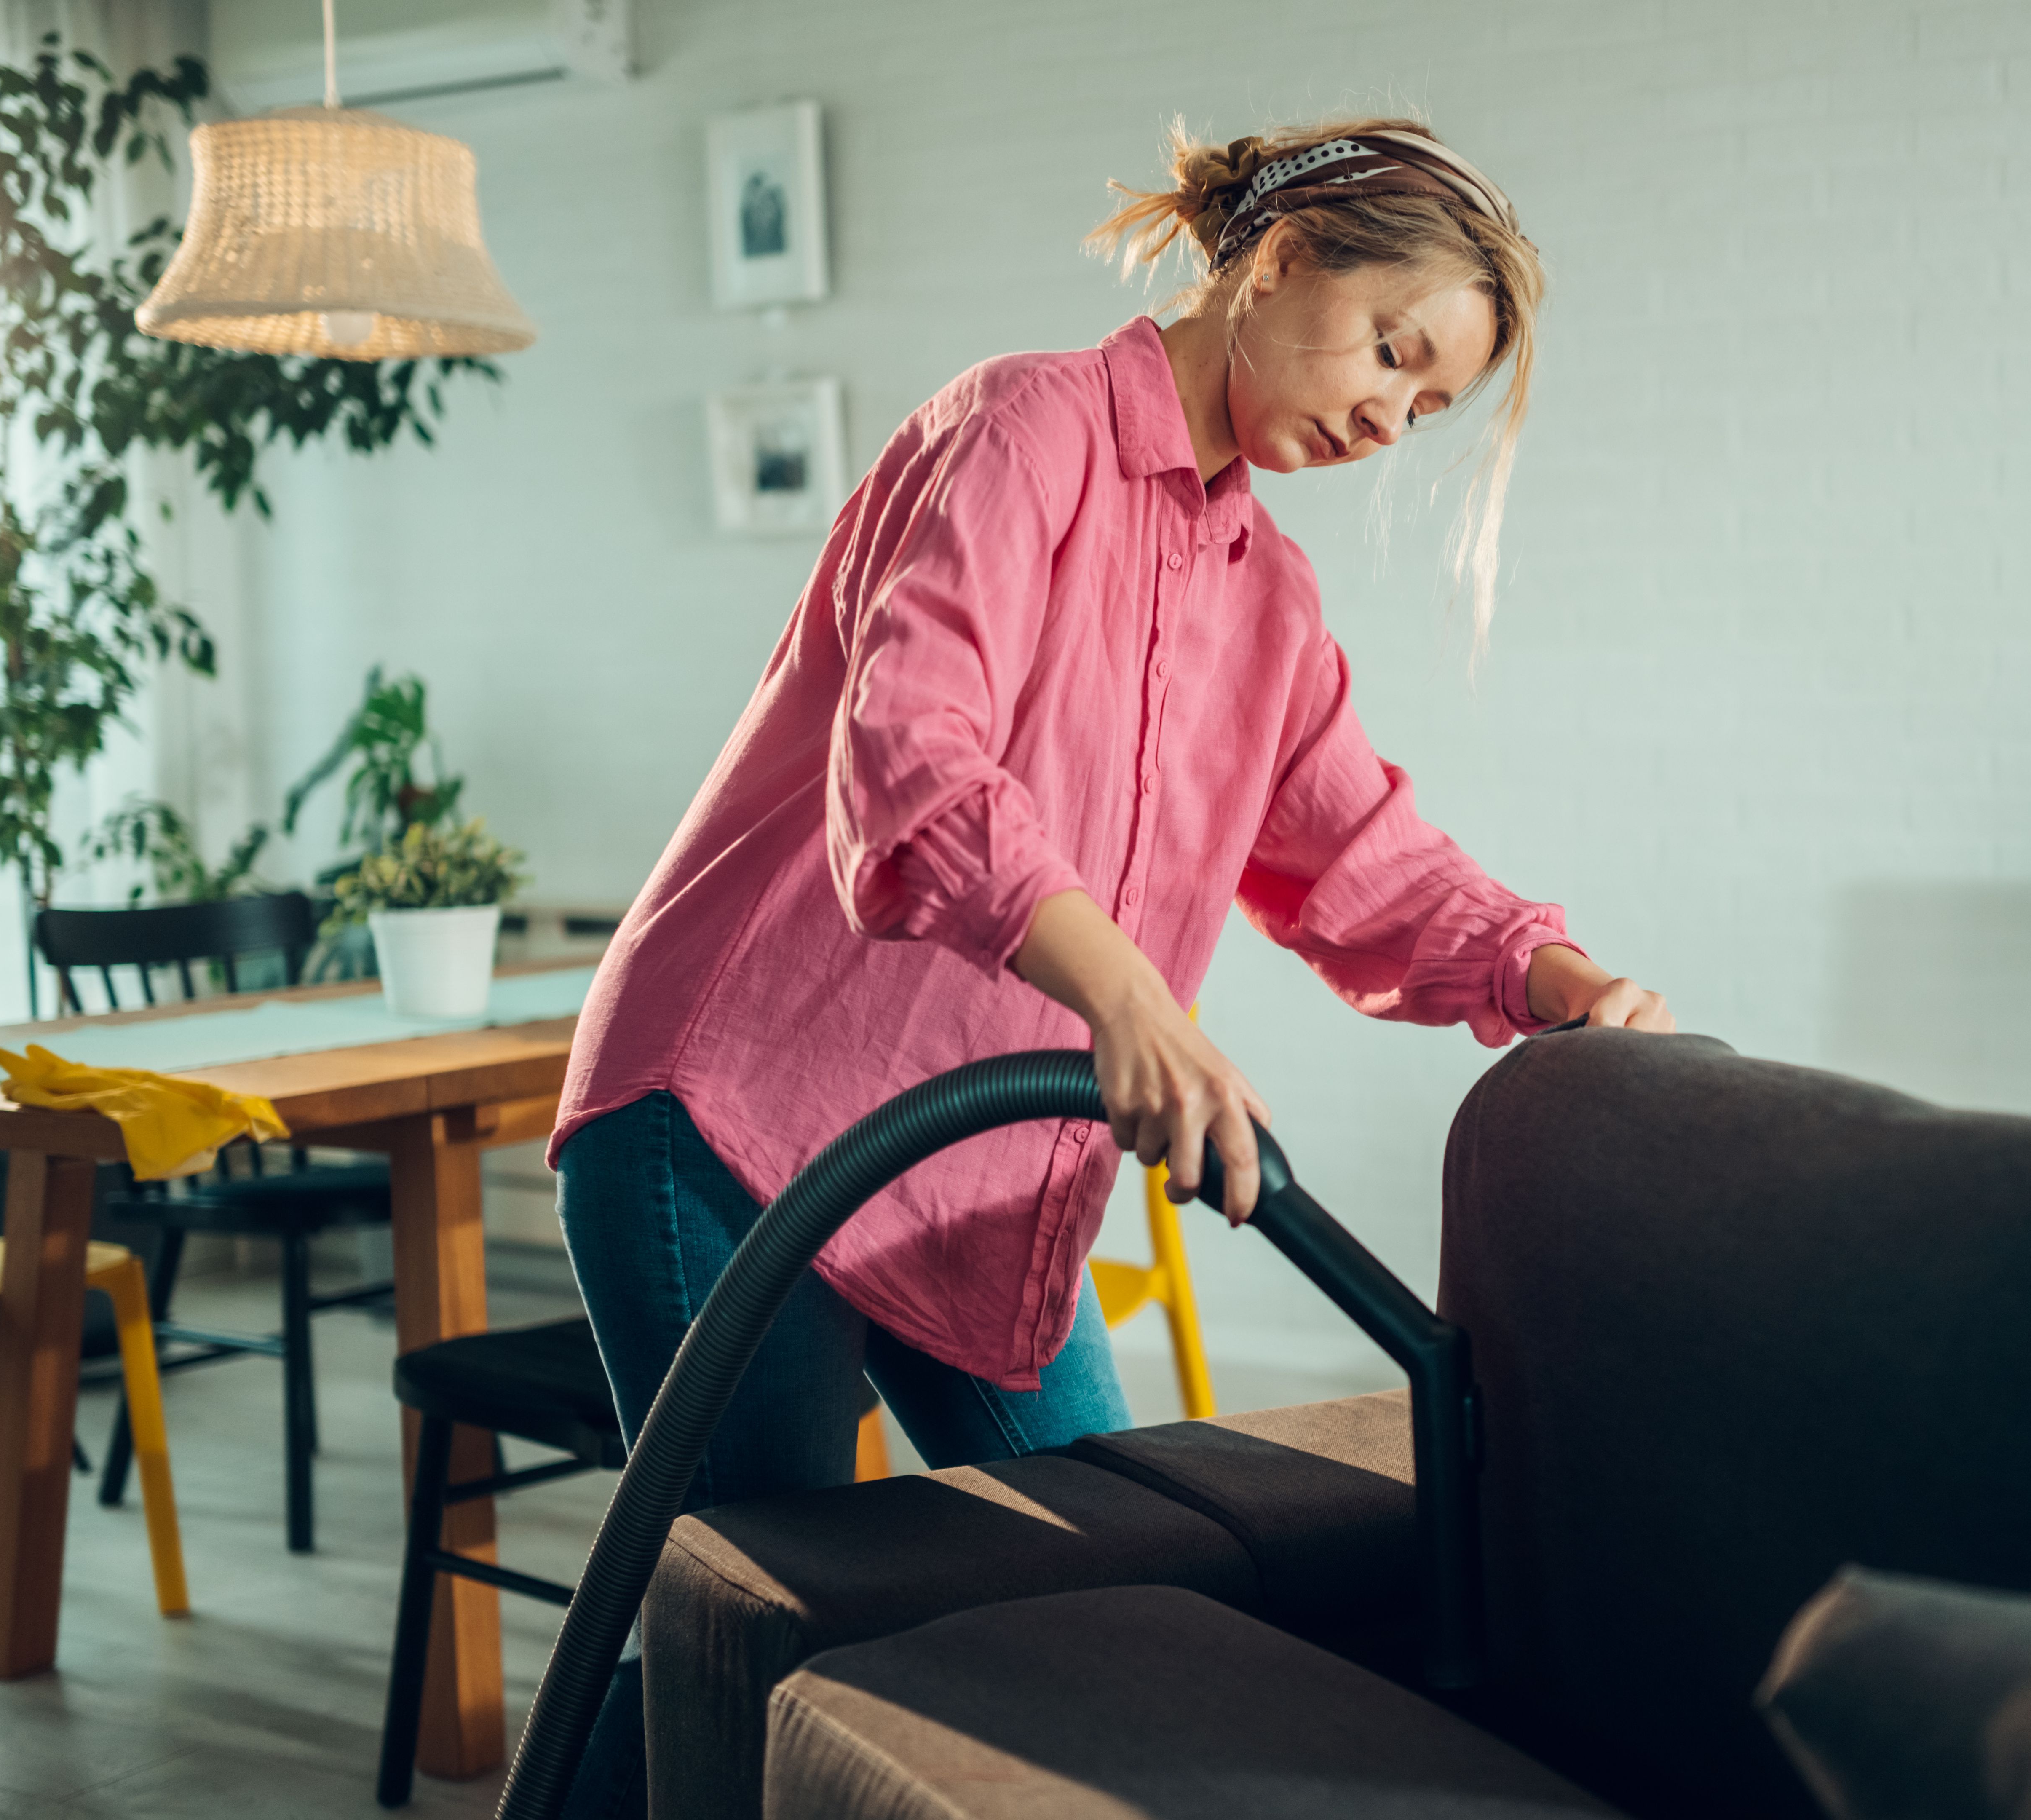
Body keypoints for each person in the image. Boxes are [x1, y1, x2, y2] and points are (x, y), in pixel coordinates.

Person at [545, 117, 1673, 1815]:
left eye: (1425, 408)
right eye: (1393, 351)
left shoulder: (1268, 601)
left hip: (980, 1179)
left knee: (1111, 1585)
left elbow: (1365, 857)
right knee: (758, 1631)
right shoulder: (1022, 430)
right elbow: (914, 764)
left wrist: (1552, 975)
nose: (1387, 418)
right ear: (1281, 259)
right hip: (734, 1122)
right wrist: (1133, 999)